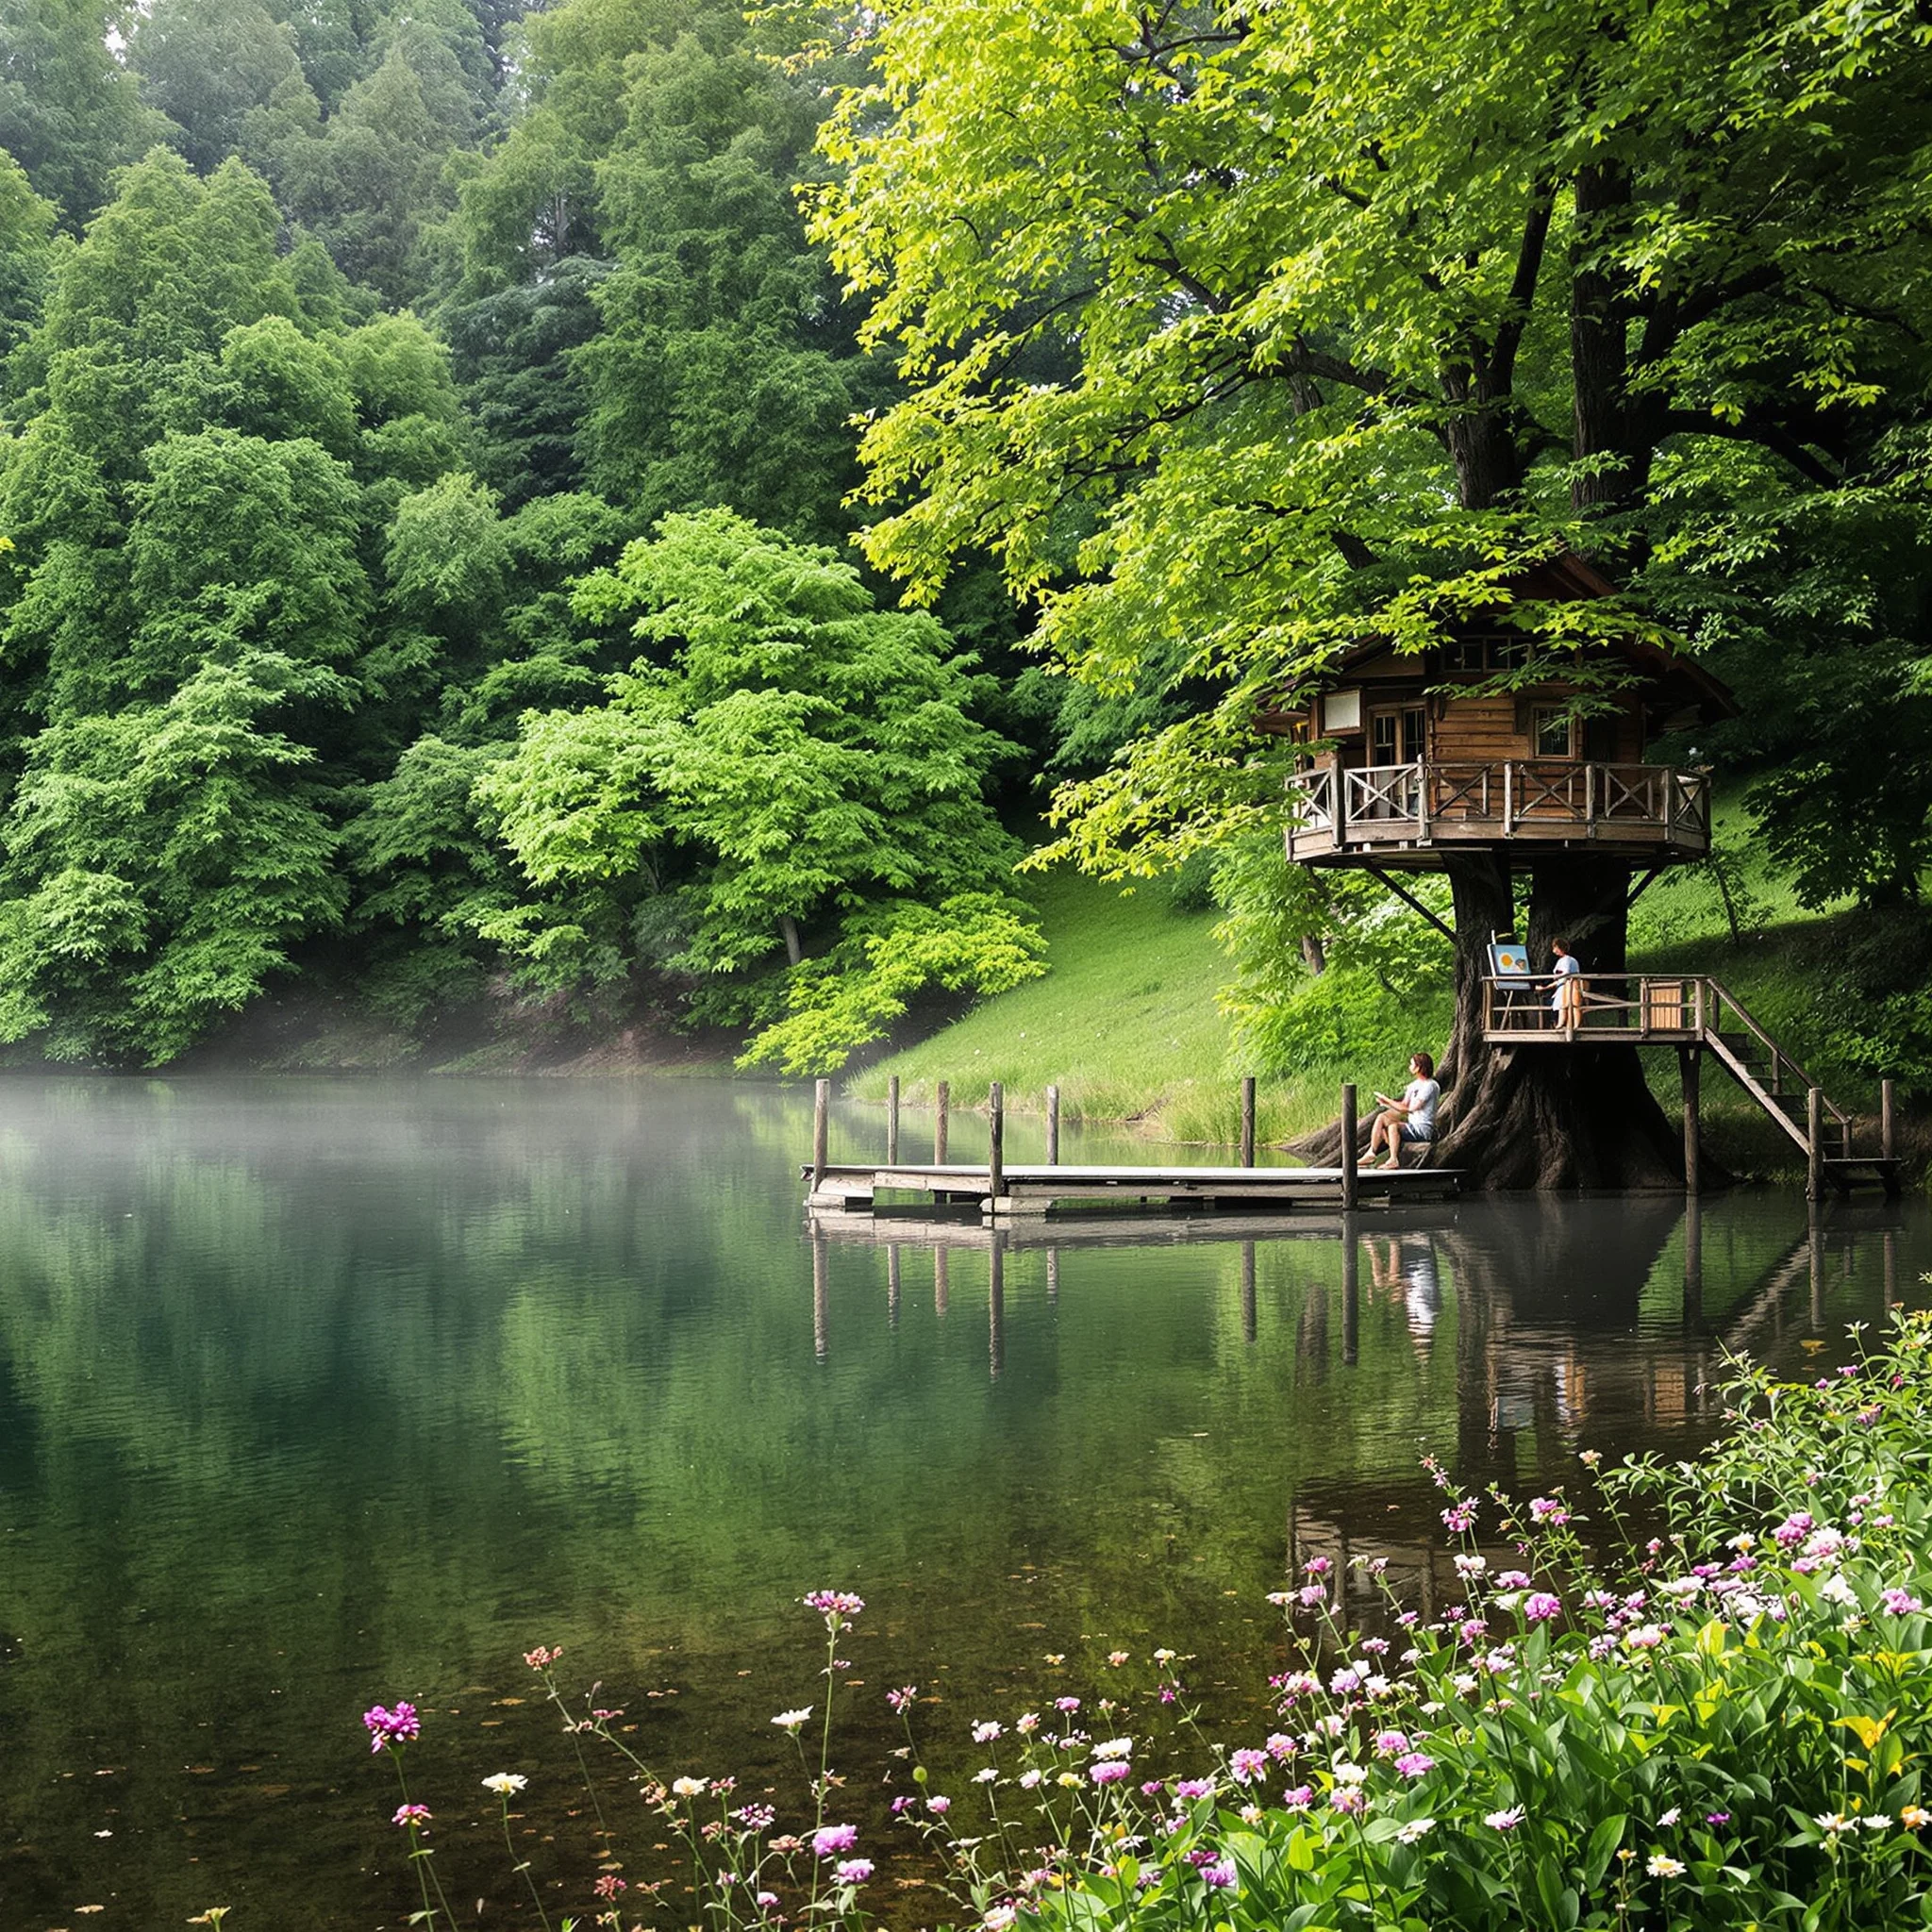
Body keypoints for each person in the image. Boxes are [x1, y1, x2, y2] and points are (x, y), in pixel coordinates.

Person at [1366, 1052, 1441, 1169]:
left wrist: (1388, 1100)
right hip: (1412, 1126)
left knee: (1393, 1126)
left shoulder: (1430, 1086)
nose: (1409, 1067)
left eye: (1412, 1064)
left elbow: (1410, 1109)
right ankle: (1371, 1153)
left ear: (1419, 1067)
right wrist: (1386, 1103)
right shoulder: (1413, 1085)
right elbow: (1403, 1105)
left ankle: (1393, 1160)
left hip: (1423, 1129)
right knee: (1382, 1117)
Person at [1550, 937, 1585, 1031]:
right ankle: (1561, 1023)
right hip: (1562, 985)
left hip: (1569, 985)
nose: (1554, 951)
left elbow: (1567, 972)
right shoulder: (1560, 960)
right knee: (1562, 1005)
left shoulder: (1568, 960)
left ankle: (1574, 1025)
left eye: (1555, 947)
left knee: (1573, 1005)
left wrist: (1558, 976)